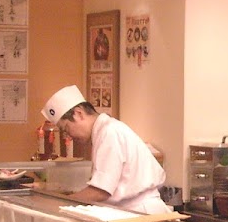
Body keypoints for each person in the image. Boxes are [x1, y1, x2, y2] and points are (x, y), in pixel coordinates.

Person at [40, 85, 169, 214]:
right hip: (129, 210)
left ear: (78, 114)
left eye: (66, 129)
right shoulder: (104, 130)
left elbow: (101, 191)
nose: (69, 136)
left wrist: (63, 204)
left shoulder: (109, 132)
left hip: (140, 211)